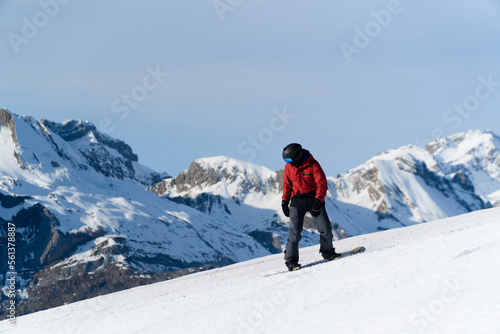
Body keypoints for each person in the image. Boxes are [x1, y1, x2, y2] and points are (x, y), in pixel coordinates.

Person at [281, 143, 340, 271]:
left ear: (297, 156)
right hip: (297, 201)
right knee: (295, 232)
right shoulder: (289, 167)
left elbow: (322, 184)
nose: (288, 162)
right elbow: (287, 185)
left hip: (314, 200)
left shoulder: (313, 165)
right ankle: (291, 260)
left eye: (289, 159)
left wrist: (318, 202)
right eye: (286, 160)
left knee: (325, 228)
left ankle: (328, 252)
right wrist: (284, 202)